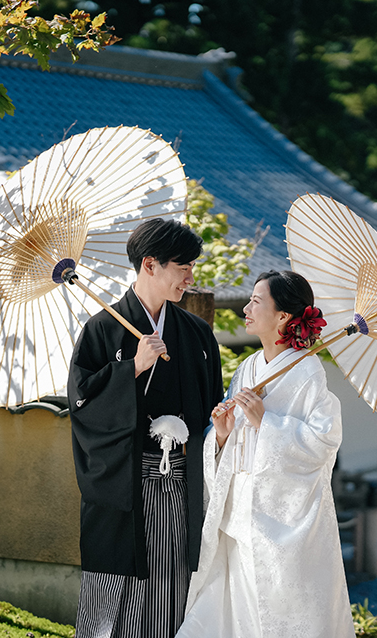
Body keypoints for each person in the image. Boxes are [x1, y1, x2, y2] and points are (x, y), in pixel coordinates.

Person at [68, 218, 224, 638]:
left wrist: (221, 433)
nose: (191, 276)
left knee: (172, 586)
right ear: (150, 264)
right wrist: (132, 367)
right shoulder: (102, 329)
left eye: (192, 266)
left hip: (181, 483)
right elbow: (82, 405)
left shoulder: (195, 334)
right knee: (113, 589)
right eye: (183, 266)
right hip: (125, 483)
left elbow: (211, 409)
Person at [177, 270, 354, 638]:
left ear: (284, 316)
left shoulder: (307, 372)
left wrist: (266, 423)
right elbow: (230, 438)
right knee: (229, 610)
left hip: (280, 518)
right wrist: (222, 435)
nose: (246, 308)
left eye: (256, 301)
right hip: (237, 509)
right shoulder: (248, 367)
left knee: (275, 614)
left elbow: (323, 443)